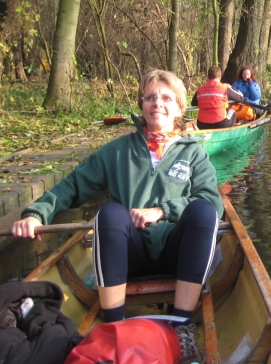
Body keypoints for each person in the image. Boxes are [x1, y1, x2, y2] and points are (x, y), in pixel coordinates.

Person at [12, 69, 223, 363]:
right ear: (141, 105)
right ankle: (115, 327)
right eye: (150, 97)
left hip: (179, 256)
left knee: (203, 211)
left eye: (165, 98)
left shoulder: (194, 154)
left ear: (178, 107)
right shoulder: (118, 151)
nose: (157, 103)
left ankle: (182, 325)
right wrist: (36, 213)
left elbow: (213, 201)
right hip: (128, 257)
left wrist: (163, 210)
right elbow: (73, 186)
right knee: (110, 213)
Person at [192, 66, 244, 130]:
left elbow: (193, 104)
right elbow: (241, 98)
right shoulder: (224, 88)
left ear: (208, 77)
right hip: (220, 123)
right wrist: (230, 87)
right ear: (220, 77)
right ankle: (228, 135)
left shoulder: (200, 89)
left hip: (202, 124)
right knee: (232, 111)